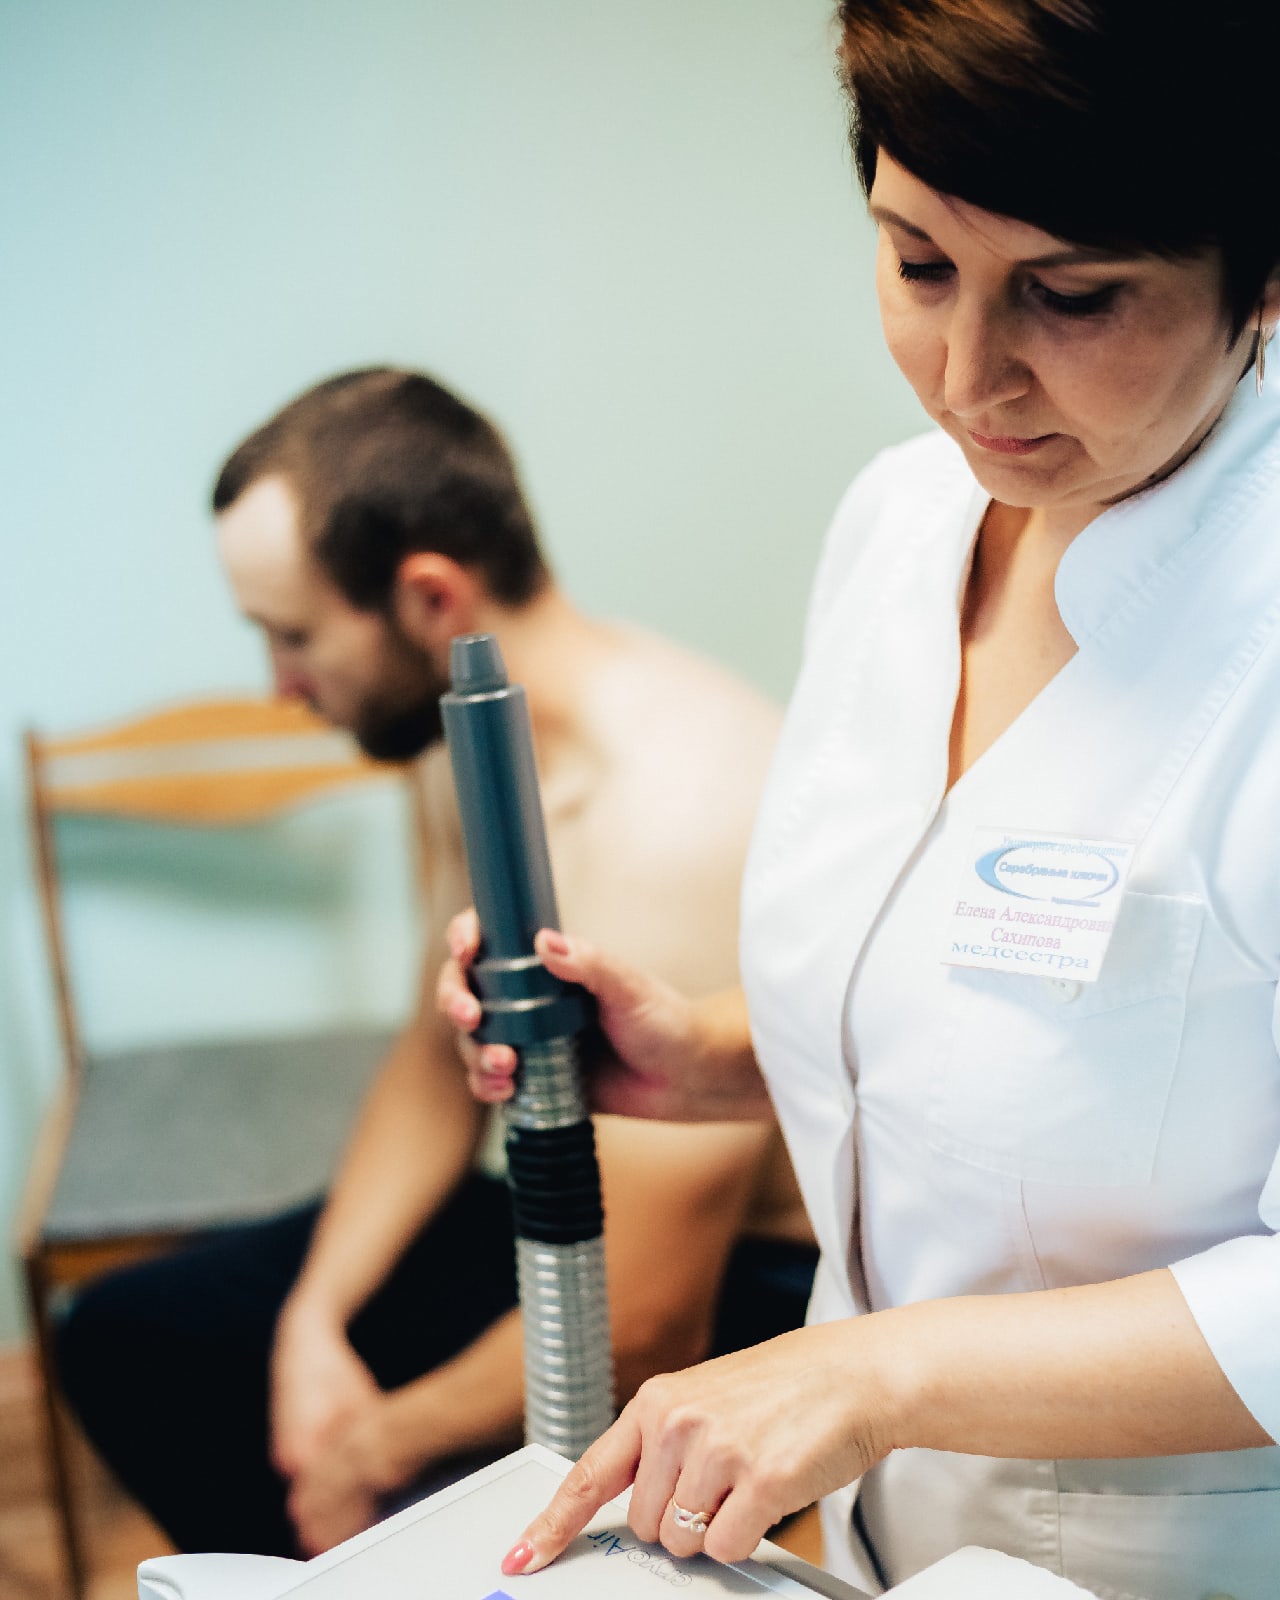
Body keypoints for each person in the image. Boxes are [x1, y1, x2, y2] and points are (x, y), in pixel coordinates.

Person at [443, 5, 1280, 1597]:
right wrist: (706, 1056)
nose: (968, 378)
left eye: (1073, 296)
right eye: (916, 265)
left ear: (1264, 271)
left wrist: (873, 1374)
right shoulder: (899, 524)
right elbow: (991, 1015)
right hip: (881, 1536)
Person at [53, 367, 814, 1559]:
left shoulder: (671, 818)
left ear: (427, 596)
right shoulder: (463, 732)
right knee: (129, 1335)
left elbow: (648, 1314)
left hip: (734, 1287)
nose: (280, 686)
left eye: (294, 635)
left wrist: (368, 1448)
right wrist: (314, 1321)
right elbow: (430, 1056)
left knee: (340, 1458)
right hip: (556, 1195)